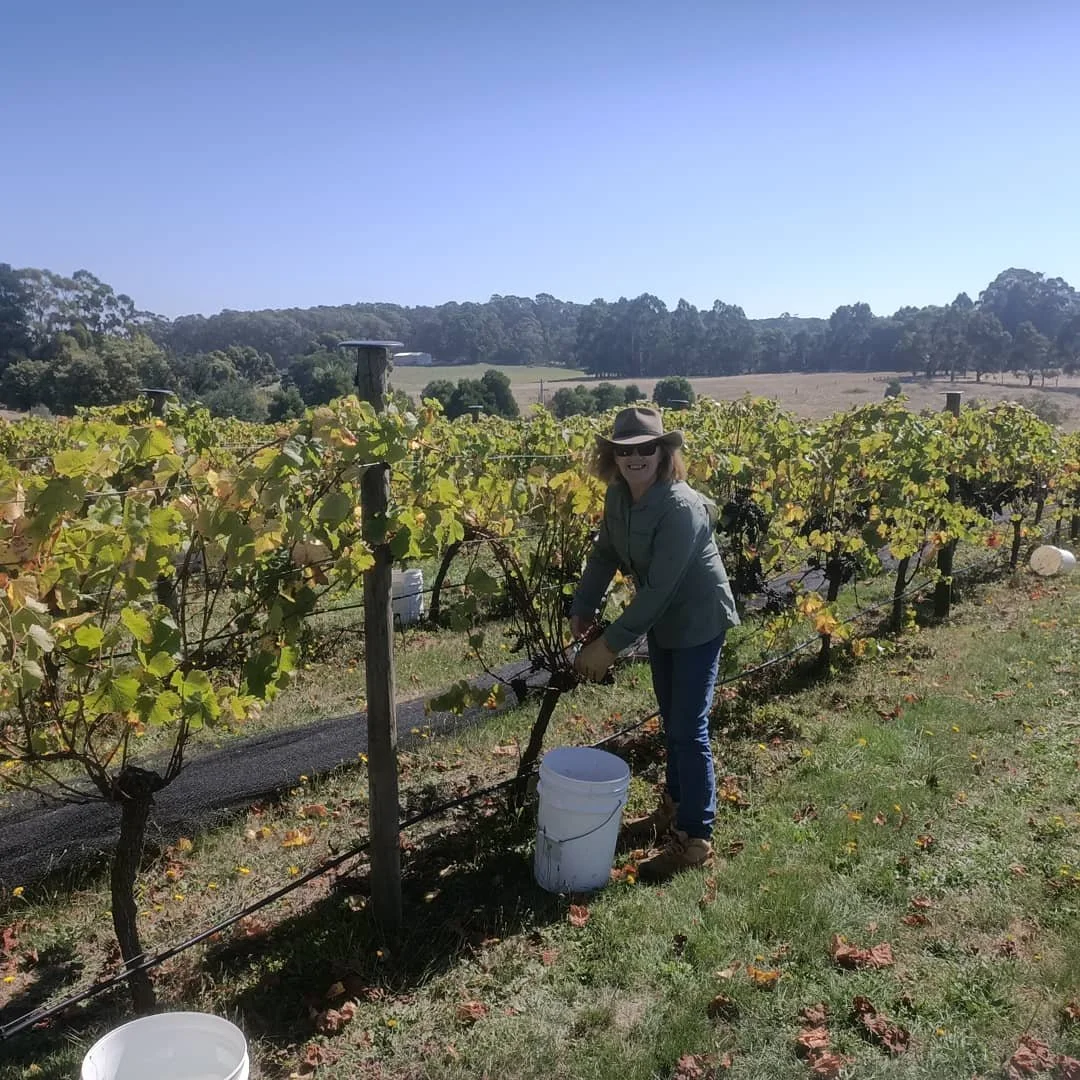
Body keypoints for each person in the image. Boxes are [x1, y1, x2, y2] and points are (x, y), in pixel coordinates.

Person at [570, 406, 739, 882]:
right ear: (613, 456)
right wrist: (583, 606)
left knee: (688, 725)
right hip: (664, 621)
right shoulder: (619, 497)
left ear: (663, 453)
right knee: (673, 719)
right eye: (625, 450)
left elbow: (661, 590)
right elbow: (605, 552)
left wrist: (609, 646)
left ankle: (695, 839)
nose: (635, 457)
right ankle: (674, 810)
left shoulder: (681, 506)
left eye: (646, 447)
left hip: (698, 620)